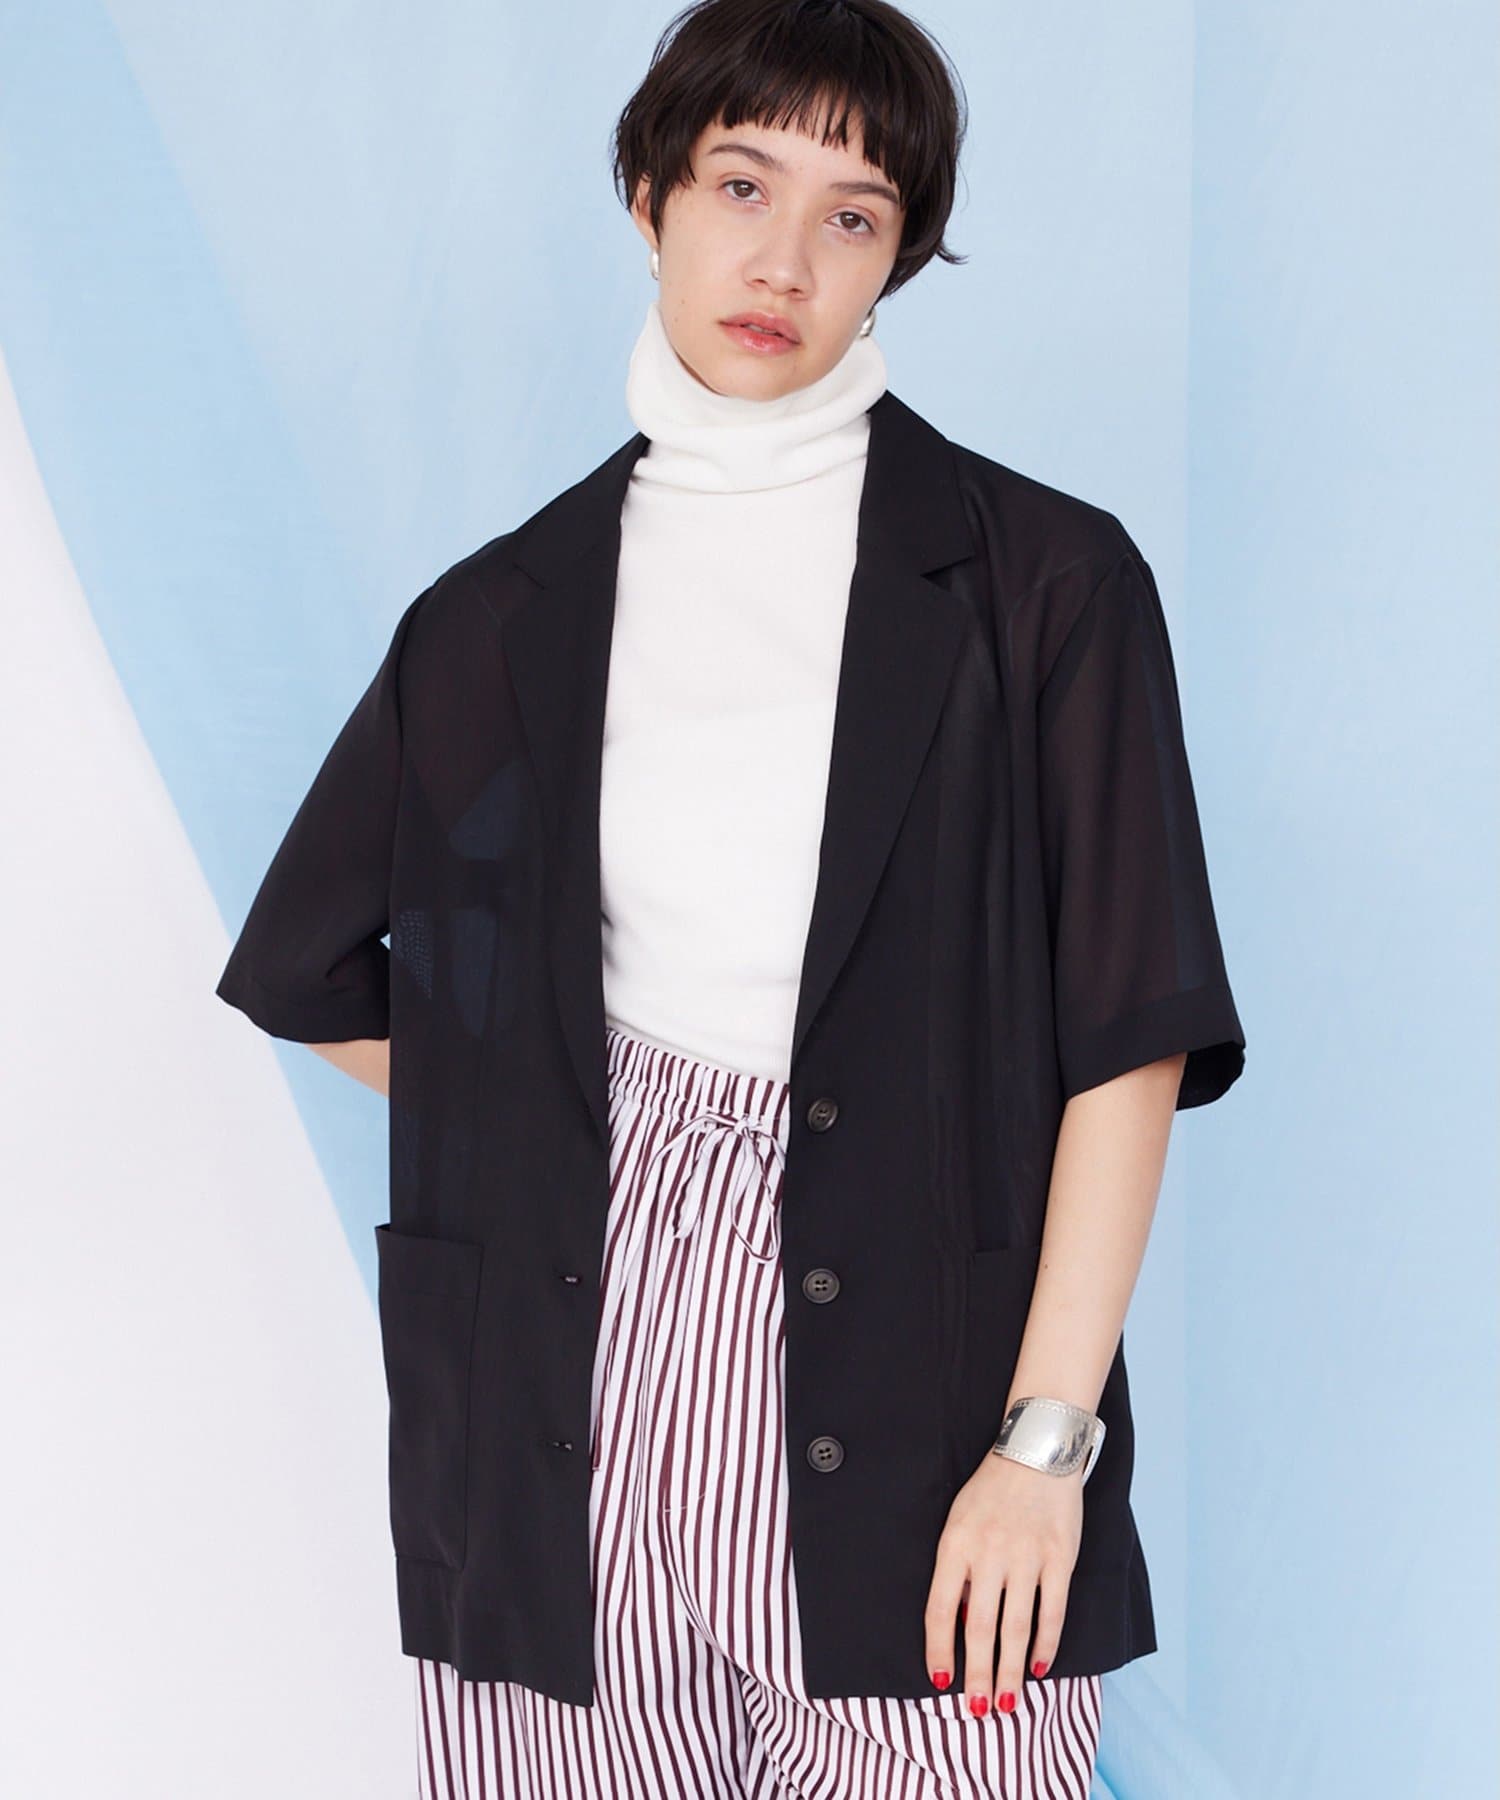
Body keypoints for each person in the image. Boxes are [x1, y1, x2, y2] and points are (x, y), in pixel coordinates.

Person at [215, 2, 1246, 1794]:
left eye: (852, 216)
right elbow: (310, 964)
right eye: (740, 186)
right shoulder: (501, 614)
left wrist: (1046, 1448)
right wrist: (583, 1111)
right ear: (650, 200)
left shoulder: (1043, 585)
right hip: (565, 1380)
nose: (784, 262)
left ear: (899, 256)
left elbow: (1128, 1039)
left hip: (920, 1380)